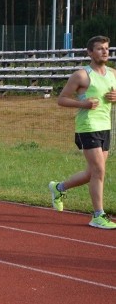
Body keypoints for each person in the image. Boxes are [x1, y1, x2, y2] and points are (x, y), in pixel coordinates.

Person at [48, 35, 116, 229]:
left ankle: (59, 188)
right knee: (99, 171)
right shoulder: (82, 75)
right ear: (89, 52)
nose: (105, 52)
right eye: (100, 48)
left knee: (92, 173)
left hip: (105, 127)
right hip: (87, 127)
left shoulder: (112, 73)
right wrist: (83, 104)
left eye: (106, 48)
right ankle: (98, 215)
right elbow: (61, 99)